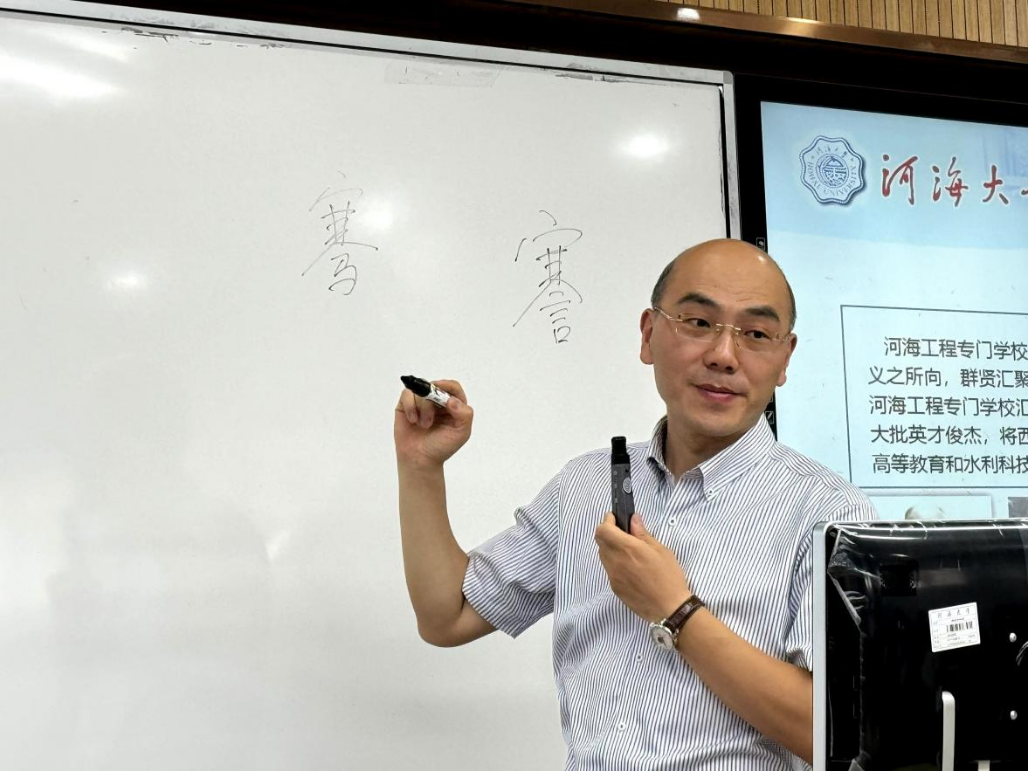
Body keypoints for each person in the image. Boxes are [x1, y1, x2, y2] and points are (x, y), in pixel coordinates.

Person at [393, 238, 877, 770]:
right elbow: (448, 617)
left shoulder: (829, 513)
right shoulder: (583, 486)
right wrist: (421, 468)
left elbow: (842, 734)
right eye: (698, 322)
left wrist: (677, 611)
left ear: (785, 359)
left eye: (756, 334)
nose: (723, 354)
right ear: (648, 335)